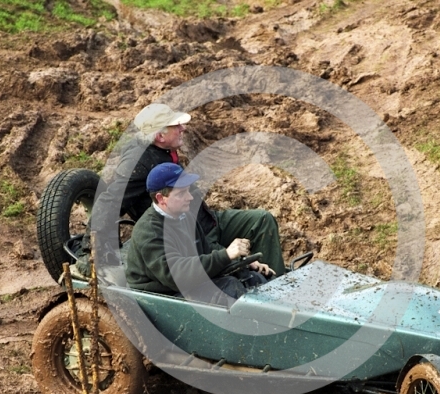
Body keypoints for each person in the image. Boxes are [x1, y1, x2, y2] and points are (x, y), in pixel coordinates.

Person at [81, 103, 286, 278]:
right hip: (190, 232)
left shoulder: (163, 148)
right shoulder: (139, 163)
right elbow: (110, 202)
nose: (183, 128)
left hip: (205, 220)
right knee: (234, 266)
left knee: (262, 220)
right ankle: (265, 298)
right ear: (159, 135)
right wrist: (90, 248)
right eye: (176, 126)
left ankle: (277, 284)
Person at [123, 163, 273, 305]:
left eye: (188, 190)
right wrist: (225, 255)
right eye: (182, 193)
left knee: (253, 278)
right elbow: (176, 276)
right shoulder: (149, 230)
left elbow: (205, 251)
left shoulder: (184, 216)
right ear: (161, 199)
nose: (190, 197)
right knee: (229, 288)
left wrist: (242, 262)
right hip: (159, 296)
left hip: (186, 283)